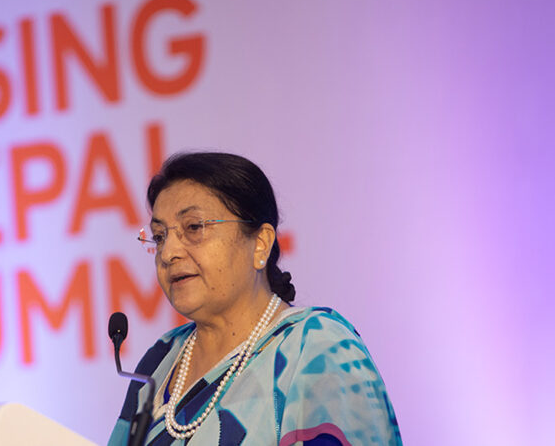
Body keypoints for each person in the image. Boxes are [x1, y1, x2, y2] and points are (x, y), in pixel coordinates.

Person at [108, 152, 401, 445]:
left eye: (194, 227)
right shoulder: (160, 359)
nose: (169, 253)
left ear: (260, 243)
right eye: (160, 236)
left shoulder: (317, 348)